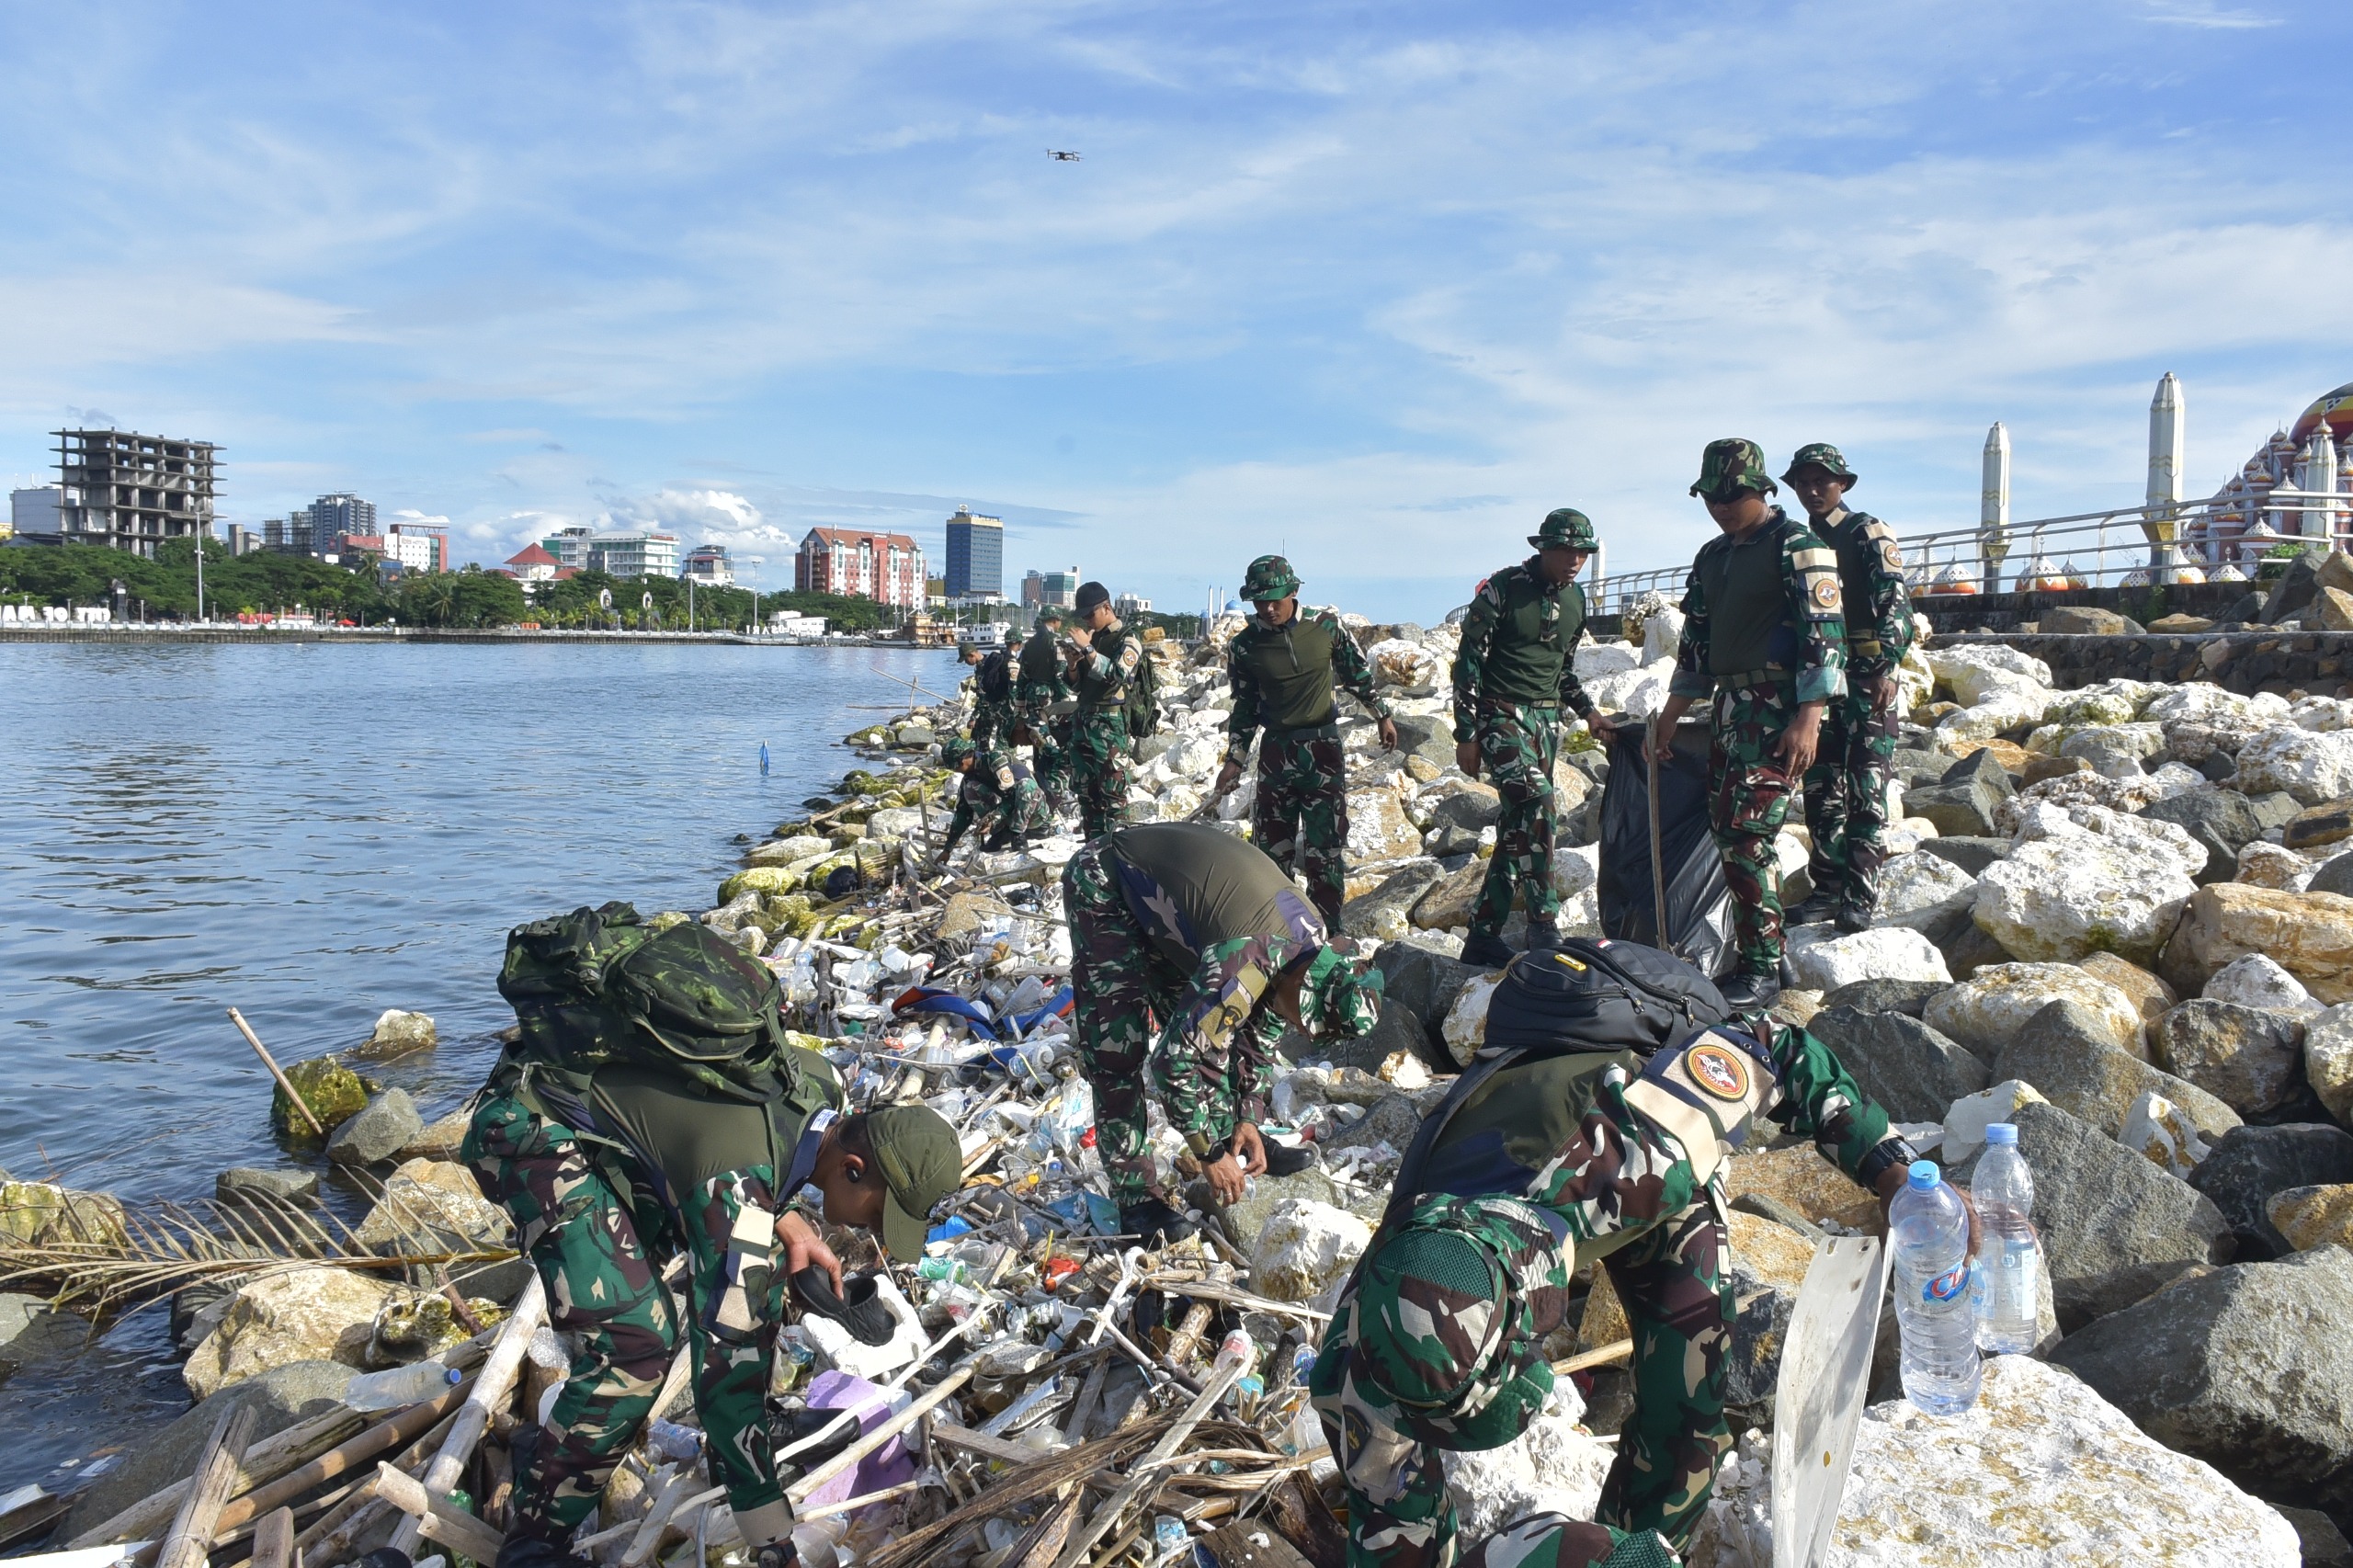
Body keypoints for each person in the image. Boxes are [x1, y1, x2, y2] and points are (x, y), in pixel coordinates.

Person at [1310, 965, 1925, 1568]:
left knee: (1690, 1391)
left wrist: (1891, 1167)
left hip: (1621, 1172)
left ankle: (1652, 1549)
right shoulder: (1362, 1350)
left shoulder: (1636, 1158)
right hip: (1494, 1181)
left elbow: (1770, 1043)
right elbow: (1389, 1509)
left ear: (1543, 1311)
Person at [464, 909, 961, 1568]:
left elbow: (745, 1147)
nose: (863, 1231)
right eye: (874, 1214)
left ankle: (569, 1443)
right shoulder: (740, 1188)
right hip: (531, 1134)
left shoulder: (823, 1086)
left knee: (707, 1290)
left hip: (605, 1132)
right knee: (636, 1342)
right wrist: (770, 1539)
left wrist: (786, 1220)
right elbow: (725, 1368)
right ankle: (533, 1540)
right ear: (853, 1167)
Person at [1062, 821, 1384, 1240]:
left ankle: (1236, 1137)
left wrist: (1247, 1115)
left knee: (1212, 1029)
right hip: (1107, 883)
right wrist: (1208, 1154)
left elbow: (1255, 1036)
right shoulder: (1250, 962)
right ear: (1302, 985)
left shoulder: (1309, 947)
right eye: (1305, 1020)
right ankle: (1137, 1199)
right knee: (1116, 1047)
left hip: (1175, 915)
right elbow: (1174, 1062)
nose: (1300, 1030)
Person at [1649, 439, 1846, 1010]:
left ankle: (1759, 968)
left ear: (1763, 489)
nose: (1722, 505)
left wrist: (1809, 717)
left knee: (1746, 835)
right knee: (1728, 830)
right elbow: (1696, 642)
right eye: (1711, 495)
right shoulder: (1712, 557)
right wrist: (1670, 716)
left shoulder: (1799, 548)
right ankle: (1771, 947)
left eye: (1733, 493)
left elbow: (1824, 636)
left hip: (1779, 707)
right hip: (1731, 710)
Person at [1449, 509, 1621, 969]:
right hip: (1498, 714)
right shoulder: (1503, 589)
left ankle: (1483, 934)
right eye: (1565, 550)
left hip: (1546, 724)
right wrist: (1465, 733)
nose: (1574, 561)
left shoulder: (1578, 601)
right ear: (1542, 548)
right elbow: (1467, 662)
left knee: (1517, 829)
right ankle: (1543, 923)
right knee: (1540, 801)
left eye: (1583, 553)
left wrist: (1590, 714)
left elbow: (1563, 670)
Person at [1212, 554, 1399, 923]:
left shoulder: (1326, 627)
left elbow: (1356, 673)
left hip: (1323, 750)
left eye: (1274, 599)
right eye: (1259, 601)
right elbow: (1246, 707)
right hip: (1276, 753)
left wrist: (1383, 716)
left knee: (1325, 849)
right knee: (1270, 851)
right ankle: (1280, 934)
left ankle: (1327, 930)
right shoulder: (1245, 647)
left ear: (1294, 591)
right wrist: (1234, 759)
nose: (1267, 608)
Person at [1779, 445, 1911, 933]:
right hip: (1818, 678)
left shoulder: (1866, 532)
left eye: (1823, 482)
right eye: (1804, 483)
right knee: (1819, 787)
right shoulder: (1798, 540)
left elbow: (1896, 602)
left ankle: (1860, 898)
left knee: (1866, 786)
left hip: (1865, 673)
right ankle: (1828, 887)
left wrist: (1887, 665)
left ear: (1843, 485)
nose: (1813, 491)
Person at [1062, 581, 1142, 840]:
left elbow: (1119, 675)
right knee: (1087, 794)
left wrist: (1088, 649)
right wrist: (1073, 665)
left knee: (1114, 794)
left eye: (1090, 614)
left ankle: (1121, 851)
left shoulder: (1128, 638)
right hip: (1084, 720)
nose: (1087, 620)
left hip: (1109, 724)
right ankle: (1093, 848)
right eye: (1083, 616)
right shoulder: (1093, 638)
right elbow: (1077, 686)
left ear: (1106, 607)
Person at [934, 735, 1052, 858]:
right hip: (1010, 816)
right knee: (970, 789)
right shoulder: (970, 777)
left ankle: (1018, 836)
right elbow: (962, 814)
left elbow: (1013, 796)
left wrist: (993, 819)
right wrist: (948, 849)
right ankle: (1000, 833)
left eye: (956, 767)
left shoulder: (995, 761)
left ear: (962, 761)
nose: (957, 771)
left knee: (1025, 786)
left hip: (1036, 815)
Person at [1015, 606, 1075, 814]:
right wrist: (1067, 702)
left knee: (1037, 738)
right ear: (1055, 620)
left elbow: (1021, 676)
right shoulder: (1056, 643)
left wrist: (1020, 706)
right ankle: (1054, 788)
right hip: (1051, 699)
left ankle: (1039, 778)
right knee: (1054, 739)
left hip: (1032, 695)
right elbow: (1060, 675)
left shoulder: (1029, 643)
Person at [961, 641, 1017, 750]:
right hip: (1003, 706)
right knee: (1002, 740)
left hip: (991, 708)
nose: (966, 663)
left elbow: (983, 696)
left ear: (971, 655)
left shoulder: (983, 668)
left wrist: (973, 717)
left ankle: (986, 761)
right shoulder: (991, 662)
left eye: (965, 660)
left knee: (982, 740)